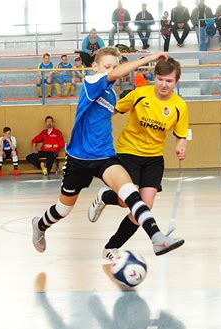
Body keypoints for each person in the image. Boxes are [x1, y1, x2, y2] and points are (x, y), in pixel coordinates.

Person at [31, 47, 185, 258]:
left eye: (114, 66)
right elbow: (115, 74)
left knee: (132, 194)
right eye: (107, 67)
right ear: (95, 67)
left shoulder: (111, 94)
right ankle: (39, 225)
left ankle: (157, 237)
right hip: (78, 159)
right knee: (63, 209)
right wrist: (148, 59)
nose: (111, 70)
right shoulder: (91, 83)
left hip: (105, 157)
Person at [87, 57, 189, 262]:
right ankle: (106, 197)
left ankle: (111, 246)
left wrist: (181, 144)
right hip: (129, 152)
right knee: (127, 202)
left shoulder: (179, 106)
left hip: (154, 158)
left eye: (169, 81)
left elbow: (181, 133)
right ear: (155, 78)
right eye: (160, 79)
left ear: (176, 82)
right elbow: (112, 110)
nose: (163, 84)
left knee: (145, 206)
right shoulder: (140, 95)